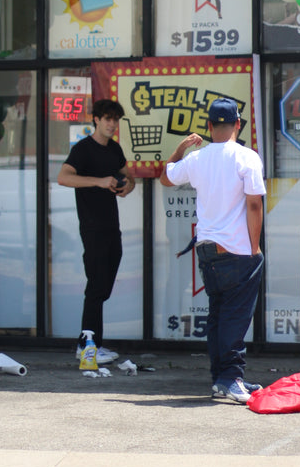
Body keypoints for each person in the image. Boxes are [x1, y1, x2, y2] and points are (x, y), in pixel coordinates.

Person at [160, 98, 265, 403]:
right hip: (236, 249)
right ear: (238, 124)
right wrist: (254, 247)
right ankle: (231, 378)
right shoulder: (247, 157)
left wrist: (181, 148)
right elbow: (254, 203)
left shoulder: (196, 159)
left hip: (207, 250)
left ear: (208, 126)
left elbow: (166, 177)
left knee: (218, 315)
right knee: (234, 316)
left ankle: (222, 377)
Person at [57, 98, 135, 364]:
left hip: (112, 225)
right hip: (92, 226)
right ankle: (87, 345)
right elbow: (63, 177)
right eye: (108, 119)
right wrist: (99, 182)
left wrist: (127, 186)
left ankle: (93, 343)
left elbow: (128, 176)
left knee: (103, 286)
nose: (112, 124)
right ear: (97, 120)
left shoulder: (114, 149)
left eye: (116, 120)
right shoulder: (83, 149)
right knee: (96, 285)